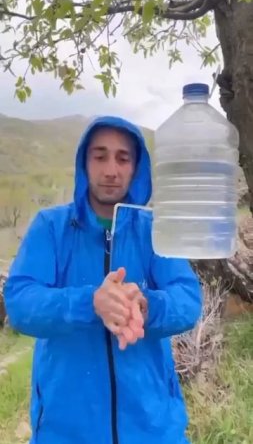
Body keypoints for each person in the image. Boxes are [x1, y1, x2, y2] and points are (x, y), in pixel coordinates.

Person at [4, 116, 202, 444]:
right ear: (84, 162)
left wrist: (146, 304)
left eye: (123, 158)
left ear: (136, 166)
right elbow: (21, 301)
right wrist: (91, 303)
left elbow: (188, 299)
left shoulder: (155, 229)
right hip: (65, 431)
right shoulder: (51, 227)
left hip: (152, 429)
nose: (111, 170)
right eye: (100, 156)